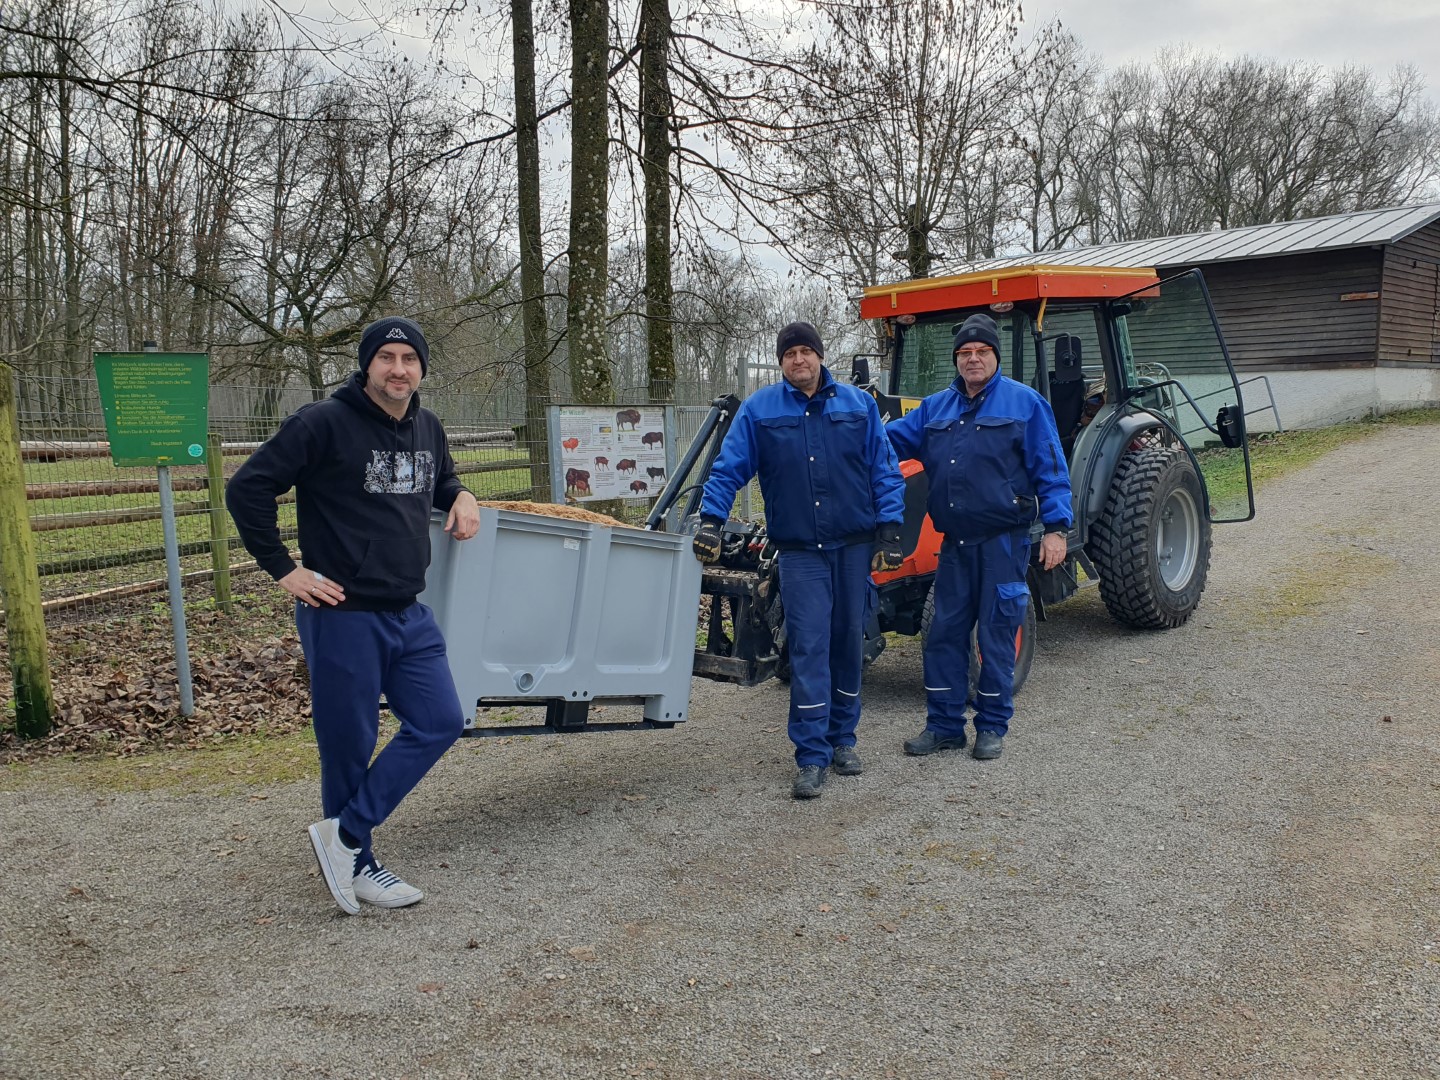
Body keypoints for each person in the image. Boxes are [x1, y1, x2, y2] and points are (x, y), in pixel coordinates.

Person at [226, 316, 480, 914]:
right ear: (368, 364)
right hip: (342, 614)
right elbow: (248, 489)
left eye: (409, 359)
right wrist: (283, 569)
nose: (399, 369)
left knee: (441, 720)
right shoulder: (322, 423)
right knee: (350, 742)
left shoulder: (428, 426)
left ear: (421, 368)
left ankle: (342, 836)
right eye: (387, 357)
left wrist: (462, 493)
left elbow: (438, 481)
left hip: (408, 612)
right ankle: (359, 863)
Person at [693, 320, 906, 799]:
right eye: (789, 354)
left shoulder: (858, 405)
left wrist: (890, 529)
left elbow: (884, 468)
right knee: (808, 647)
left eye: (806, 352)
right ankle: (811, 755)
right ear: (782, 360)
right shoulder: (760, 411)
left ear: (820, 356)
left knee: (848, 642)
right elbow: (730, 466)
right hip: (800, 553)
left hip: (853, 548)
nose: (798, 361)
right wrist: (711, 519)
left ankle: (843, 740)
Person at [886, 313, 1072, 761]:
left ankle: (991, 727)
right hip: (954, 544)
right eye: (965, 353)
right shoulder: (935, 408)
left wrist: (1057, 529)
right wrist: (846, 427)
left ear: (995, 356)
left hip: (1003, 543)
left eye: (981, 352)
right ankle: (944, 726)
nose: (973, 359)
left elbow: (1050, 469)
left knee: (996, 633)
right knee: (944, 635)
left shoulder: (1023, 404)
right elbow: (886, 442)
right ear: (957, 359)